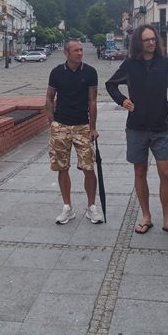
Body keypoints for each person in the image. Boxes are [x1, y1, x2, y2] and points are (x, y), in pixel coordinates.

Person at [106, 24, 168, 237]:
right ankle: (146, 216)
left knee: (166, 173)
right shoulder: (130, 65)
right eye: (147, 40)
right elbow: (111, 84)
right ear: (138, 43)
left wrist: (166, 108)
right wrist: (122, 100)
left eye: (153, 39)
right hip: (136, 128)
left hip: (160, 128)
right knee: (140, 172)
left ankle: (167, 219)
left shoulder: (165, 64)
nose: (152, 42)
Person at [46, 38, 102, 225]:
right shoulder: (56, 72)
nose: (80, 53)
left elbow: (92, 101)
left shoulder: (90, 72)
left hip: (82, 126)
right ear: (66, 53)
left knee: (89, 167)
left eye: (81, 50)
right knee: (62, 167)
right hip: (61, 125)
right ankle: (67, 207)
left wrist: (93, 127)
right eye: (76, 50)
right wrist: (52, 122)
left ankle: (91, 207)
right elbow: (49, 97)